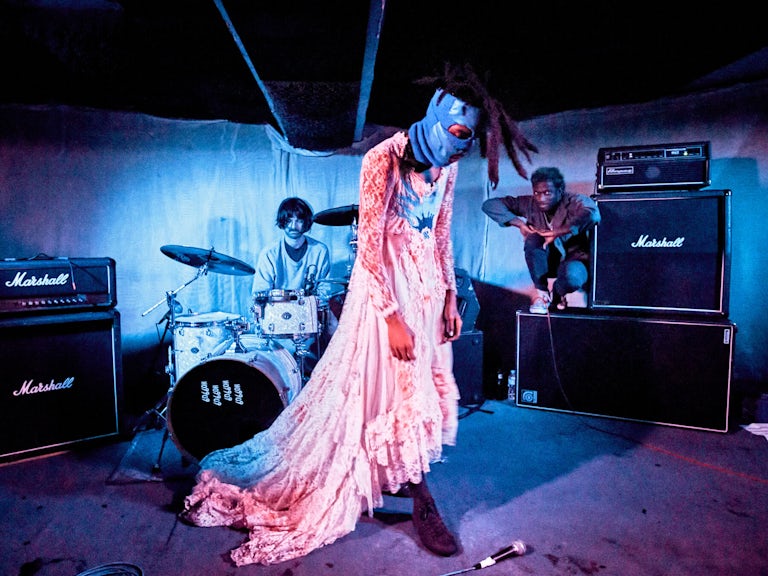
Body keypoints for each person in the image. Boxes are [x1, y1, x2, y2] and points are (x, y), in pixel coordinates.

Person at [179, 64, 536, 566]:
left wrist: (450, 295)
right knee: (381, 393)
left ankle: (408, 478)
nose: (460, 147)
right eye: (456, 133)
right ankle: (419, 495)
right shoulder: (381, 159)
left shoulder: (450, 170)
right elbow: (368, 249)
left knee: (418, 392)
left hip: (426, 293)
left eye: (470, 140)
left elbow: (439, 235)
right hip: (385, 297)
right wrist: (390, 317)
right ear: (435, 117)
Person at [482, 167, 601, 314]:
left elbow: (593, 214)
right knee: (533, 239)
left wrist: (557, 232)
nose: (541, 199)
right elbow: (489, 205)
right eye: (537, 193)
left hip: (575, 260)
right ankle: (542, 294)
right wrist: (519, 224)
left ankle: (557, 294)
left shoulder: (574, 200)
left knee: (572, 279)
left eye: (547, 193)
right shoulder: (529, 203)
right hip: (548, 262)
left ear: (560, 191)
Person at [250, 197, 331, 373]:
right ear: (282, 222)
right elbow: (259, 294)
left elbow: (324, 291)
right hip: (278, 320)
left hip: (309, 316)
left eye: (299, 220)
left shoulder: (320, 250)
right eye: (288, 220)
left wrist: (309, 313)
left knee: (337, 330)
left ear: (307, 222)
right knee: (282, 364)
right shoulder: (270, 253)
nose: (293, 226)